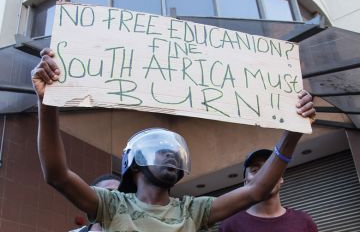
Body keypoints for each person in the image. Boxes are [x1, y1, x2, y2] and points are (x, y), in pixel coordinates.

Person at [31, 48, 316, 232]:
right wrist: (47, 102)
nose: (170, 155)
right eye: (160, 151)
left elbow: (257, 191)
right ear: (135, 164)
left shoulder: (193, 211)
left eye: (173, 151)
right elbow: (57, 175)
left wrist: (293, 130)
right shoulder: (112, 205)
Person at [219, 149, 318, 232]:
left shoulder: (304, 221)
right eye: (255, 170)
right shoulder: (230, 227)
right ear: (245, 183)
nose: (264, 176)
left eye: (270, 169)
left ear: (281, 178)